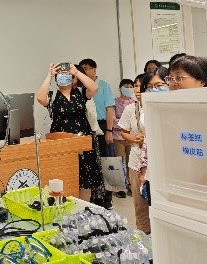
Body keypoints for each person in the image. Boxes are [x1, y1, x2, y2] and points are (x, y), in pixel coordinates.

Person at [37, 62, 103, 202]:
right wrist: (49, 75)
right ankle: (65, 206)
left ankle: (84, 207)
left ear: (73, 79)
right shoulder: (52, 96)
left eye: (67, 75)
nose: (63, 77)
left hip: (82, 140)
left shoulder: (81, 93)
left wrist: (76, 72)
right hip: (61, 142)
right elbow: (40, 98)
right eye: (60, 76)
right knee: (65, 174)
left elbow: (94, 87)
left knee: (86, 177)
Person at [78, 58, 115, 208]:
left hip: (102, 125)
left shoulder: (104, 85)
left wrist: (109, 130)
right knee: (91, 164)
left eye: (86, 68)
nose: (84, 71)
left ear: (94, 69)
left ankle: (106, 199)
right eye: (82, 69)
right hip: (86, 128)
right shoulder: (80, 88)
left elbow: (110, 109)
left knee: (105, 163)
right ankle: (92, 198)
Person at [117, 74, 150, 233]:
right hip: (137, 160)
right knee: (140, 202)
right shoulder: (130, 109)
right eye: (135, 86)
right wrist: (135, 138)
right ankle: (144, 234)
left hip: (155, 161)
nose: (137, 89)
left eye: (141, 85)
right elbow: (123, 132)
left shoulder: (158, 107)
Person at [137, 67, 170, 205]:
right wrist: (144, 170)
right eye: (149, 87)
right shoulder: (147, 110)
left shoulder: (176, 107)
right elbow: (147, 143)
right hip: (154, 166)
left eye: (159, 85)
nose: (153, 90)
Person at [113, 78, 136, 198]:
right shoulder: (114, 102)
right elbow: (113, 120)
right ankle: (119, 188)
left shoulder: (135, 103)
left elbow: (136, 121)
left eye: (131, 87)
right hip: (118, 138)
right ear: (120, 88)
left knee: (131, 164)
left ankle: (132, 187)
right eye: (126, 87)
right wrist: (126, 124)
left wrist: (124, 123)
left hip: (132, 138)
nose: (129, 89)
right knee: (118, 163)